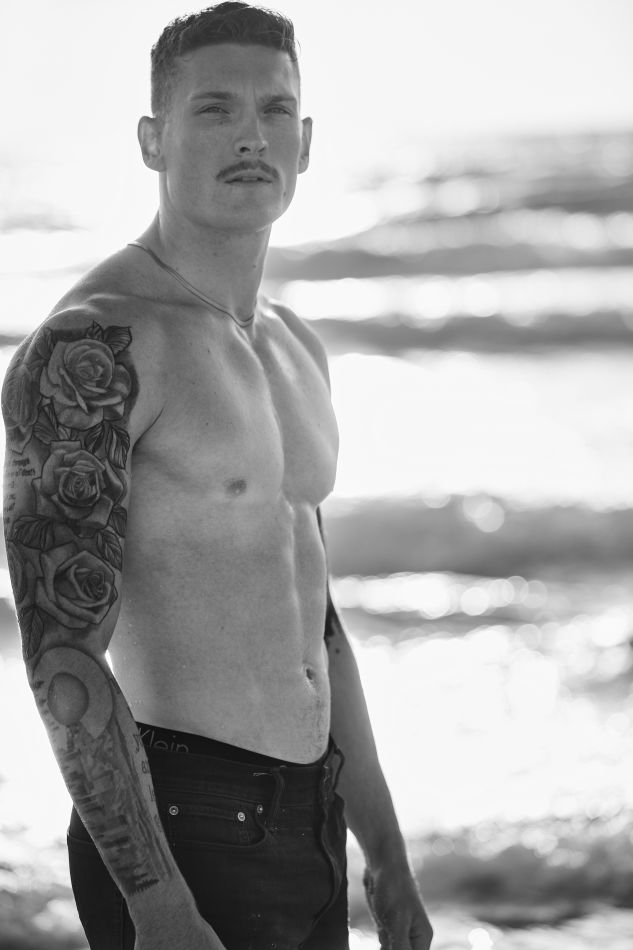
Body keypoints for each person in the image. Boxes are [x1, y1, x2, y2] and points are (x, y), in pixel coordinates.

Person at [1, 4, 433, 948]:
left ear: (305, 143)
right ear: (152, 139)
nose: (250, 135)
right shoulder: (97, 345)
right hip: (180, 824)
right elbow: (61, 654)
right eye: (214, 109)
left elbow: (316, 622)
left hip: (311, 819)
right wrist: (157, 901)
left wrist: (387, 857)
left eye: (274, 110)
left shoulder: (296, 347)